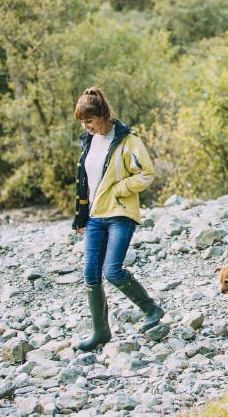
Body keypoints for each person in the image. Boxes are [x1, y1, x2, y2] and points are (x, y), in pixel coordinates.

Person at [71, 87, 164, 351]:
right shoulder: (88, 141)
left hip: (120, 214)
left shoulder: (127, 139)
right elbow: (86, 183)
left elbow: (147, 174)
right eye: (81, 121)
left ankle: (152, 310)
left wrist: (119, 189)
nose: (85, 126)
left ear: (102, 115)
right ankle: (100, 332)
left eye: (88, 120)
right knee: (90, 273)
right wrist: (80, 218)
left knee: (112, 271)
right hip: (94, 217)